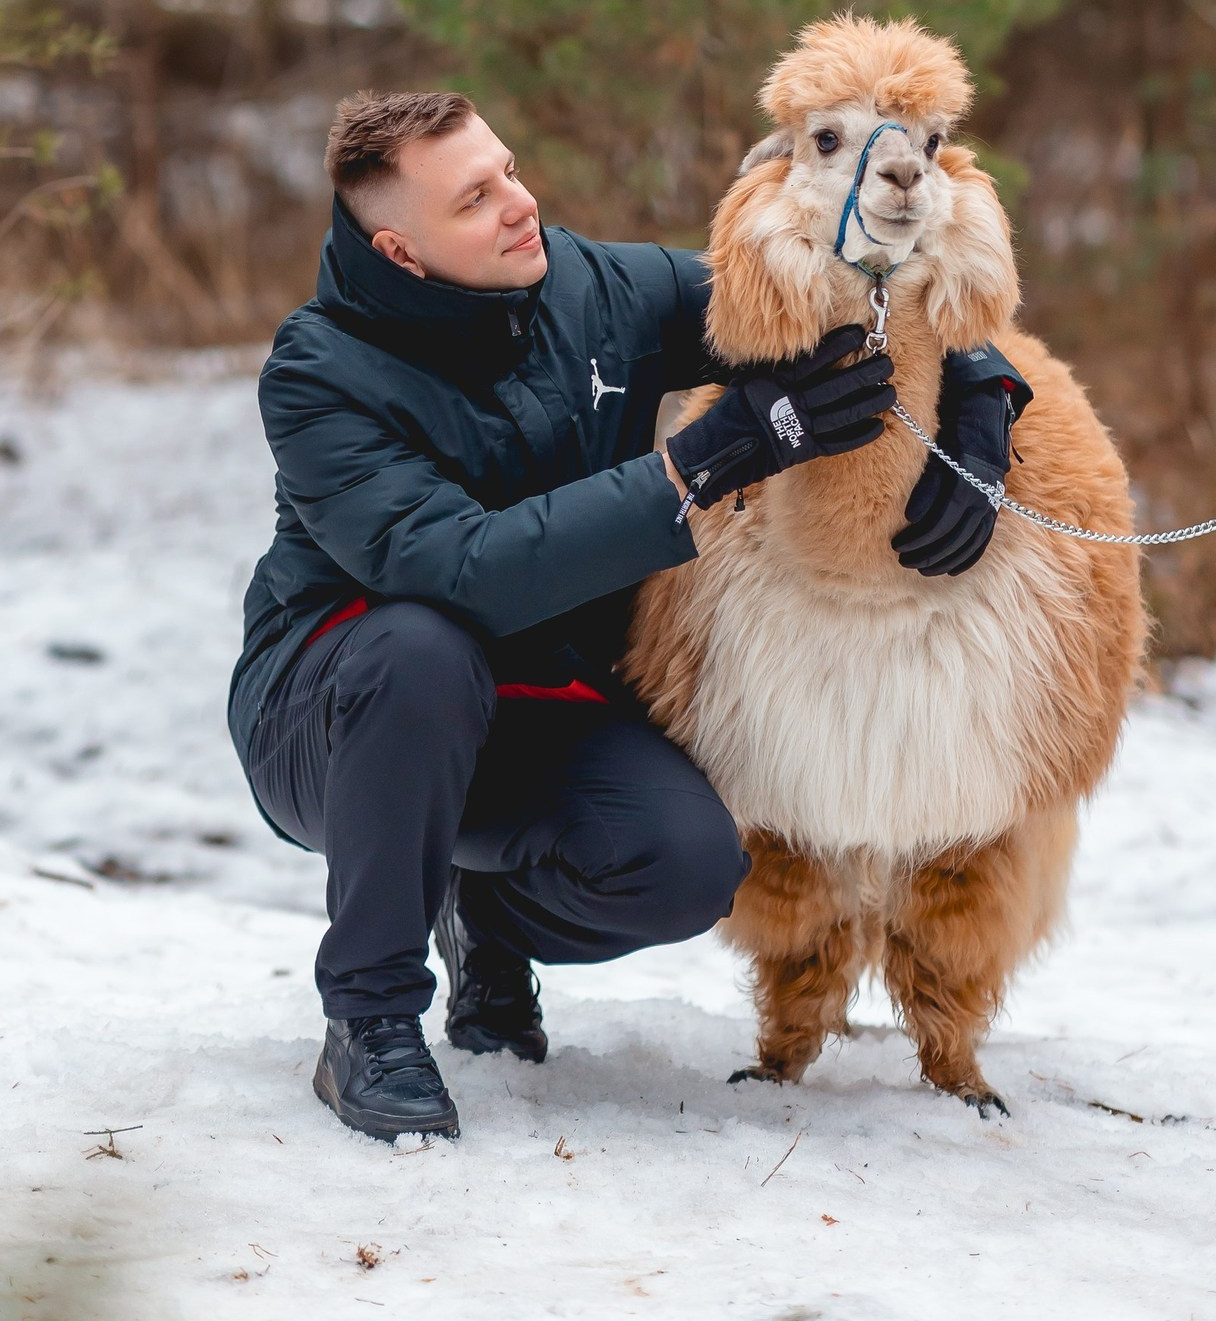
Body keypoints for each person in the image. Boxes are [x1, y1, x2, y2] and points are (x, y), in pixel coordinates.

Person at [228, 90, 1025, 1143]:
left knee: (685, 864)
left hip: (533, 700)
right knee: (421, 647)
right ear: (401, 249)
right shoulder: (320, 372)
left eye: (507, 170)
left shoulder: (591, 287)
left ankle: (483, 912)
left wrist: (977, 394)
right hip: (338, 713)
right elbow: (457, 569)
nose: (519, 205)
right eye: (475, 198)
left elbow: (826, 282)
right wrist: (703, 461)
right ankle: (368, 1019)